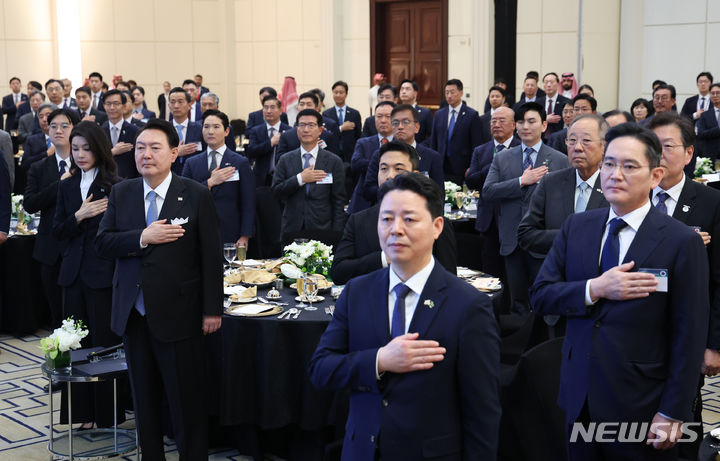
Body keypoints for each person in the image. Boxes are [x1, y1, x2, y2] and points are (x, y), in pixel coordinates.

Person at [530, 122, 709, 459]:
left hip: (642, 400)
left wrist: (673, 411)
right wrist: (594, 288)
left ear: (655, 176)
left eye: (629, 166)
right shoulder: (577, 226)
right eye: (609, 164)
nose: (615, 174)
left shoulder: (680, 241)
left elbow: (689, 334)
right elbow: (540, 295)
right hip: (579, 393)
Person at [310, 171, 500, 460]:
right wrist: (380, 360)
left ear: (437, 226)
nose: (395, 229)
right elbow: (321, 369)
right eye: (386, 219)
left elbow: (482, 413)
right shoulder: (357, 292)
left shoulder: (469, 305)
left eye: (409, 219)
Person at [96, 118, 223, 460]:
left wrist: (213, 309)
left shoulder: (194, 193)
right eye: (140, 148)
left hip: (180, 315)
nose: (146, 155)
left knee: (186, 404)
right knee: (145, 403)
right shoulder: (122, 192)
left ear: (174, 152)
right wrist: (141, 237)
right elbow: (103, 243)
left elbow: (211, 257)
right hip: (134, 316)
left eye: (155, 148)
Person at [648, 112, 720, 459]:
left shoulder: (710, 202)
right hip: (636, 330)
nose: (657, 154)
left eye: (667, 146)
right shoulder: (632, 195)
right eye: (651, 146)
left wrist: (714, 345)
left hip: (686, 331)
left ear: (689, 153)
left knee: (682, 423)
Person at [53, 120, 122, 429]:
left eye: (87, 149)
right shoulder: (66, 185)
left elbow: (116, 234)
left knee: (102, 345)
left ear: (99, 150)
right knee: (73, 345)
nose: (80, 154)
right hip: (72, 276)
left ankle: (106, 415)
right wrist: (79, 216)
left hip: (101, 274)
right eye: (76, 148)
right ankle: (81, 414)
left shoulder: (114, 186)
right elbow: (58, 231)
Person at [483, 102, 569, 314]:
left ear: (544, 125)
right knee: (517, 300)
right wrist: (521, 181)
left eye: (531, 121)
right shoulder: (502, 157)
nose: (525, 127)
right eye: (521, 122)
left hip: (544, 239)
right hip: (512, 239)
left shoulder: (560, 160)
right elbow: (488, 191)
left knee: (545, 298)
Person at [332, 141, 456, 284]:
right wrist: (384, 258)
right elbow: (338, 272)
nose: (390, 176)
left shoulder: (432, 221)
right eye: (383, 168)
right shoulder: (358, 220)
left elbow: (448, 279)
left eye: (398, 169)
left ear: (415, 174)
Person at [24, 108, 80, 329]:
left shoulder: (84, 164)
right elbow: (30, 203)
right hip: (49, 248)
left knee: (78, 308)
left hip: (78, 245)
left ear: (75, 128)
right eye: (53, 126)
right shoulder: (39, 167)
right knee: (56, 311)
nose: (58, 130)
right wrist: (61, 183)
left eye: (65, 125)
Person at [182, 109, 255, 249]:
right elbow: (184, 195)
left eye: (216, 127)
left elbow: (248, 202)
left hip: (230, 231)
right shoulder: (192, 163)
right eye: (206, 127)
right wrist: (209, 183)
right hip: (198, 229)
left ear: (226, 131)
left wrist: (245, 235)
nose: (210, 132)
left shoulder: (240, 162)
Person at [465, 106, 520, 283]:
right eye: (493, 121)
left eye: (501, 121)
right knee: (490, 270)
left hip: (514, 219)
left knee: (513, 270)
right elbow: (471, 181)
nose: (496, 124)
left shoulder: (522, 149)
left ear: (513, 125)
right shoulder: (481, 151)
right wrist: (495, 165)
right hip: (488, 219)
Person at [272, 109, 346, 237]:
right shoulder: (285, 159)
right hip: (292, 227)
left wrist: (337, 232)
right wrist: (300, 178)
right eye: (302, 125)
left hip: (323, 228)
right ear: (296, 129)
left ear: (320, 130)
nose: (306, 130)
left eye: (311, 125)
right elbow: (276, 190)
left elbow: (338, 200)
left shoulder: (334, 161)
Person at [361, 104, 444, 206]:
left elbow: (439, 194)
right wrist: (392, 189)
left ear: (417, 127)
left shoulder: (432, 157)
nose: (400, 127)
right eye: (395, 123)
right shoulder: (380, 154)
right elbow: (368, 190)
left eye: (405, 122)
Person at [429, 78, 483, 185]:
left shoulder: (471, 115)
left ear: (461, 92)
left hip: (462, 167)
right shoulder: (439, 114)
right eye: (446, 92)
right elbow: (434, 141)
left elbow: (477, 144)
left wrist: (473, 166)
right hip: (442, 165)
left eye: (452, 92)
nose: (449, 96)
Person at [349, 101, 395, 212]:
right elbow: (355, 164)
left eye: (388, 117)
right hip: (363, 201)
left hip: (394, 200)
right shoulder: (363, 143)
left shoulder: (401, 145)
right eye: (379, 116)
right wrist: (377, 163)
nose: (383, 120)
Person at [276, 91, 340, 158]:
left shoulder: (327, 135)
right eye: (302, 104)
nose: (305, 107)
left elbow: (335, 160)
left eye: (309, 105)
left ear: (316, 108)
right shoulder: (286, 136)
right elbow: (280, 162)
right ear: (297, 108)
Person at [245, 95, 291, 186]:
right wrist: (271, 143)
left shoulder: (289, 131)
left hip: (284, 178)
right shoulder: (256, 130)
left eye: (272, 107)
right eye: (266, 108)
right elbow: (251, 151)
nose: (268, 111)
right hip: (261, 179)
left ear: (281, 111)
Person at [101, 89, 139, 179]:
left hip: (129, 181)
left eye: (116, 103)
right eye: (108, 104)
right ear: (103, 106)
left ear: (124, 106)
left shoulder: (135, 131)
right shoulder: (99, 131)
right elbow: (94, 159)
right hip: (105, 181)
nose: (112, 107)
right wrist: (113, 152)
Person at [323, 80, 362, 163]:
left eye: (341, 92)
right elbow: (326, 134)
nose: (338, 95)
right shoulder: (326, 114)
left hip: (350, 154)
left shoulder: (354, 113)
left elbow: (358, 135)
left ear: (346, 94)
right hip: (332, 152)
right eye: (335, 92)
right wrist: (341, 128)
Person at [168, 87, 204, 175]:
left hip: (195, 176)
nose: (176, 106)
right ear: (169, 105)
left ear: (189, 106)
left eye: (180, 102)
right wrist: (175, 153)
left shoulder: (200, 129)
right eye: (173, 102)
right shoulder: (163, 130)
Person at [21, 102, 55, 172]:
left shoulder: (65, 138)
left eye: (48, 115)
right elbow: (24, 164)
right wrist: (45, 154)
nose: (44, 119)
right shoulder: (32, 140)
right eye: (41, 117)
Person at [398, 79, 434, 143]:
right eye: (402, 89)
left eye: (407, 89)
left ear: (415, 93)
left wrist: (419, 147)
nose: (404, 91)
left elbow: (431, 136)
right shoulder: (395, 112)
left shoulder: (425, 113)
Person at [539, 72, 571, 140]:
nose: (548, 85)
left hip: (560, 138)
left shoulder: (565, 101)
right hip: (540, 138)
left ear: (558, 84)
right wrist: (545, 119)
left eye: (551, 82)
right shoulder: (538, 102)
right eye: (546, 82)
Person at [695, 82, 720, 163]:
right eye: (712, 93)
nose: (715, 95)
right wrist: (718, 129)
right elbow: (701, 133)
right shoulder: (705, 115)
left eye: (718, 93)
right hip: (711, 156)